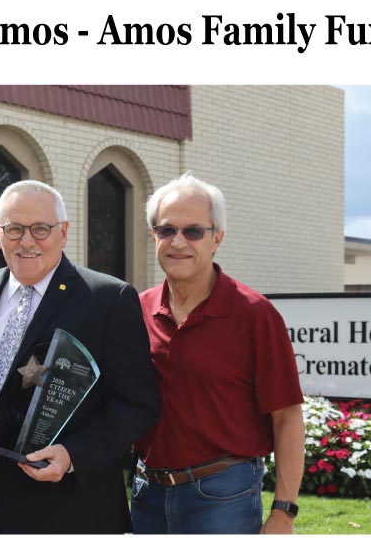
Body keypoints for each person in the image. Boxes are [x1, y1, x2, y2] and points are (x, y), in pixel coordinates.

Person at [0, 180, 159, 534]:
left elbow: (136, 404)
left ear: (63, 233)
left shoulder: (109, 299)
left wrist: (74, 455)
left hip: (71, 510)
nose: (27, 241)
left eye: (41, 229)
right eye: (14, 229)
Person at [131, 173, 305, 535]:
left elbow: (287, 417)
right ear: (154, 236)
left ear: (217, 238)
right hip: (147, 494)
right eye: (166, 230)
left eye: (193, 231)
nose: (178, 241)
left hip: (223, 496)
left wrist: (284, 514)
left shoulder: (255, 314)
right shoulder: (136, 310)